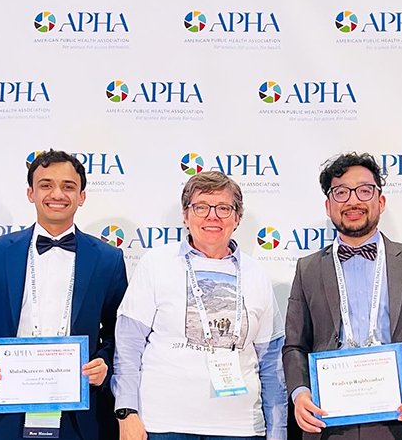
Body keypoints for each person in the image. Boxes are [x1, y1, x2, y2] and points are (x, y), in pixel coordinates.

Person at [283, 152, 402, 440]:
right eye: (341, 192)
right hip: (328, 423)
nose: (353, 201)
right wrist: (300, 394)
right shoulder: (308, 269)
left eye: (365, 190)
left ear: (381, 201)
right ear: (329, 206)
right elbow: (294, 346)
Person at [0, 149, 128, 440]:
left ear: (82, 196)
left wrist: (105, 362)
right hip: (0, 408)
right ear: (30, 193)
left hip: (78, 414)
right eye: (46, 184)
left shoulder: (108, 259)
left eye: (68, 186)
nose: (57, 194)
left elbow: (121, 331)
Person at [112, 171, 286, 440]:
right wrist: (127, 412)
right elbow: (128, 346)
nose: (212, 216)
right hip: (162, 426)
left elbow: (272, 363)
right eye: (201, 207)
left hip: (240, 429)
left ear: (237, 218)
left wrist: (277, 432)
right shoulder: (156, 263)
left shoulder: (257, 274)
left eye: (224, 208)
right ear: (186, 215)